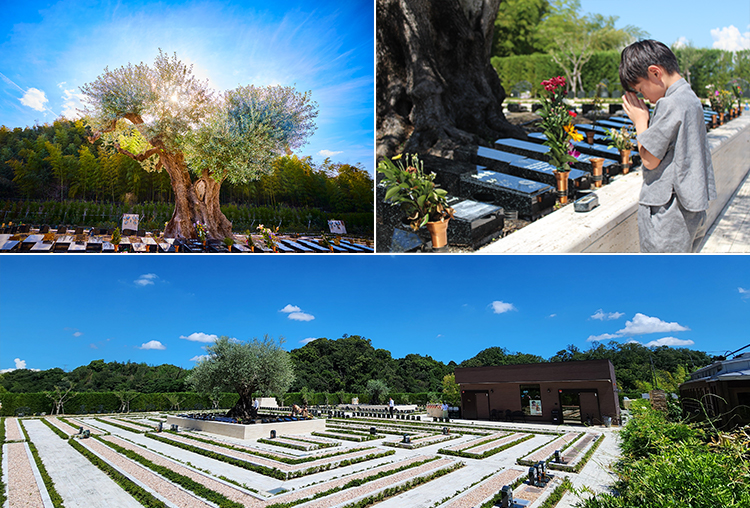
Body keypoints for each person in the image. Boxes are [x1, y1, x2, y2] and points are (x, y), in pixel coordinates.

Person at [619, 39, 716, 252]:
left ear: (655, 73)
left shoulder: (669, 103)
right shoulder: (689, 97)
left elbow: (649, 159)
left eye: (640, 89)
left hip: (668, 212)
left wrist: (640, 120)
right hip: (692, 209)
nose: (643, 96)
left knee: (659, 275)